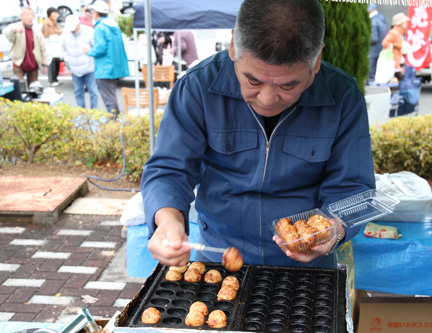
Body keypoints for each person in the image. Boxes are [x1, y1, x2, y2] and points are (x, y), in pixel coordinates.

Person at [141, 0, 375, 269]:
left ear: (317, 61)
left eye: (288, 85)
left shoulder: (343, 97)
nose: (267, 99)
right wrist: (168, 221)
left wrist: (335, 230)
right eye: (253, 80)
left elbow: (354, 188)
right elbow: (169, 170)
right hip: (218, 256)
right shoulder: (197, 88)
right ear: (232, 47)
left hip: (308, 267)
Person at [84, 0, 129, 119]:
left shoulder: (100, 27)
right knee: (112, 95)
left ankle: (114, 121)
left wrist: (88, 51)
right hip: (114, 67)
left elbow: (100, 48)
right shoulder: (113, 25)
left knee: (108, 97)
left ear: (96, 13)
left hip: (104, 68)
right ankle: (116, 119)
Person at [2, 6, 49, 88]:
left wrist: (45, 64)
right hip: (19, 63)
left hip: (33, 64)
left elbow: (43, 49)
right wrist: (15, 30)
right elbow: (6, 32)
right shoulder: (17, 27)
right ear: (21, 16)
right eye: (27, 15)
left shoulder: (36, 31)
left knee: (34, 88)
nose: (30, 17)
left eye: (31, 15)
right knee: (19, 88)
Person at [61, 15, 99, 109]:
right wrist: (68, 60)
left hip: (89, 68)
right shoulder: (65, 35)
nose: (72, 30)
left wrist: (90, 55)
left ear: (78, 24)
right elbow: (63, 49)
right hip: (74, 69)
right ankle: (81, 113)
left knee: (93, 91)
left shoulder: (89, 31)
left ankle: (94, 113)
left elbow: (95, 47)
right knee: (78, 92)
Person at [382, 12, 410, 81]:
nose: (406, 24)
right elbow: (384, 43)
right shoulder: (394, 32)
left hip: (397, 60)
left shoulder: (399, 32)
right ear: (400, 23)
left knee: (398, 80)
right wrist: (398, 46)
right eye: (405, 22)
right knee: (399, 79)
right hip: (393, 60)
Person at [42, 7, 63, 87]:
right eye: (54, 13)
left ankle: (55, 79)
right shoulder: (47, 22)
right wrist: (60, 31)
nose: (55, 15)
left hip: (54, 45)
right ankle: (52, 80)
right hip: (50, 45)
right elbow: (49, 34)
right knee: (51, 63)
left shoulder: (53, 21)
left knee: (56, 61)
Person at [368, 3, 389, 83]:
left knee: (371, 72)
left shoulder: (373, 21)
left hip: (373, 50)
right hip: (382, 49)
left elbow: (373, 38)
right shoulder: (382, 18)